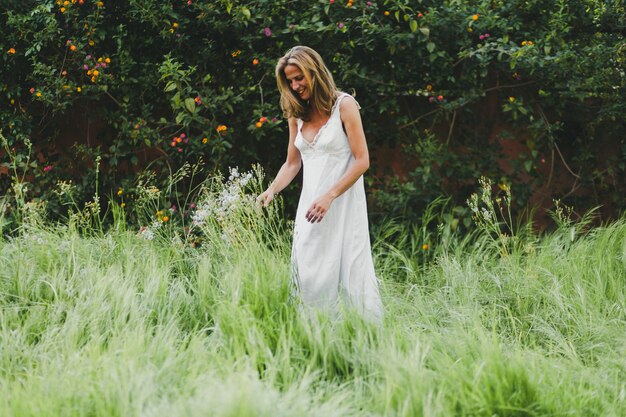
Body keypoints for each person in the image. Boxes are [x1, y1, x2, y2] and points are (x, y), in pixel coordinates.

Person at [257, 46, 382, 322]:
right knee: (309, 270)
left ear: (314, 71)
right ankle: (312, 336)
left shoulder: (344, 105)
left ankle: (357, 338)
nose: (295, 85)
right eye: (290, 80)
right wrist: (271, 189)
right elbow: (293, 163)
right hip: (310, 207)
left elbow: (362, 161)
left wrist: (330, 196)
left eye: (299, 77)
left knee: (348, 270)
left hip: (342, 203)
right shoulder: (295, 114)